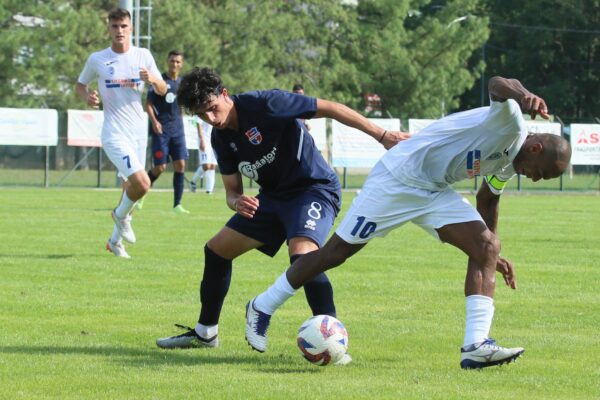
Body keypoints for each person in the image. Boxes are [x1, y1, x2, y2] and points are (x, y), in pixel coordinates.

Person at [245, 76, 572, 370]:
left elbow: (487, 199)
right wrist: (525, 94)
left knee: (487, 244)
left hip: (434, 190)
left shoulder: (510, 164)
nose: (534, 178)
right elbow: (499, 84)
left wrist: (490, 254)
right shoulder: (510, 121)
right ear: (536, 148)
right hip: (398, 179)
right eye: (539, 171)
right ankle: (262, 305)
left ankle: (476, 346)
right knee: (335, 253)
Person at [156, 67, 409, 364]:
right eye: (202, 115)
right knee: (216, 250)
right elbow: (232, 192)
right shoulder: (221, 138)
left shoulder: (266, 104)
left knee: (303, 255)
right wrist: (237, 202)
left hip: (313, 188)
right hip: (273, 199)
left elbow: (332, 108)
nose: (211, 119)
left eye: (212, 108)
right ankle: (205, 332)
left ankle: (333, 342)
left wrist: (382, 135)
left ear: (225, 95)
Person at [76, 7, 166, 259]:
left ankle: (115, 241)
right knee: (143, 183)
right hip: (114, 132)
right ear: (109, 29)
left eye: (124, 26)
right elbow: (80, 85)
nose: (119, 31)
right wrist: (87, 97)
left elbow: (162, 89)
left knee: (132, 187)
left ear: (131, 29)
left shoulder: (143, 55)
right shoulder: (98, 59)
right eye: (115, 26)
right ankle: (119, 215)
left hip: (138, 131)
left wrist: (153, 80)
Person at [144, 50, 190, 214]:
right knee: (160, 167)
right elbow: (148, 104)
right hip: (161, 130)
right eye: (172, 61)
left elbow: (184, 103)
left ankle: (177, 204)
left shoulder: (184, 83)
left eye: (178, 61)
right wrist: (155, 122)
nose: (175, 64)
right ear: (167, 62)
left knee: (180, 164)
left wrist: (182, 115)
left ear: (181, 64)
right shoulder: (159, 80)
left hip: (178, 130)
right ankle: (140, 194)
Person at [189, 116, 217, 194]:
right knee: (206, 165)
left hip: (214, 140)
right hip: (205, 140)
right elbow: (198, 123)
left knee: (212, 166)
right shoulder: (202, 110)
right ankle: (192, 182)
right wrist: (201, 139)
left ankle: (209, 190)